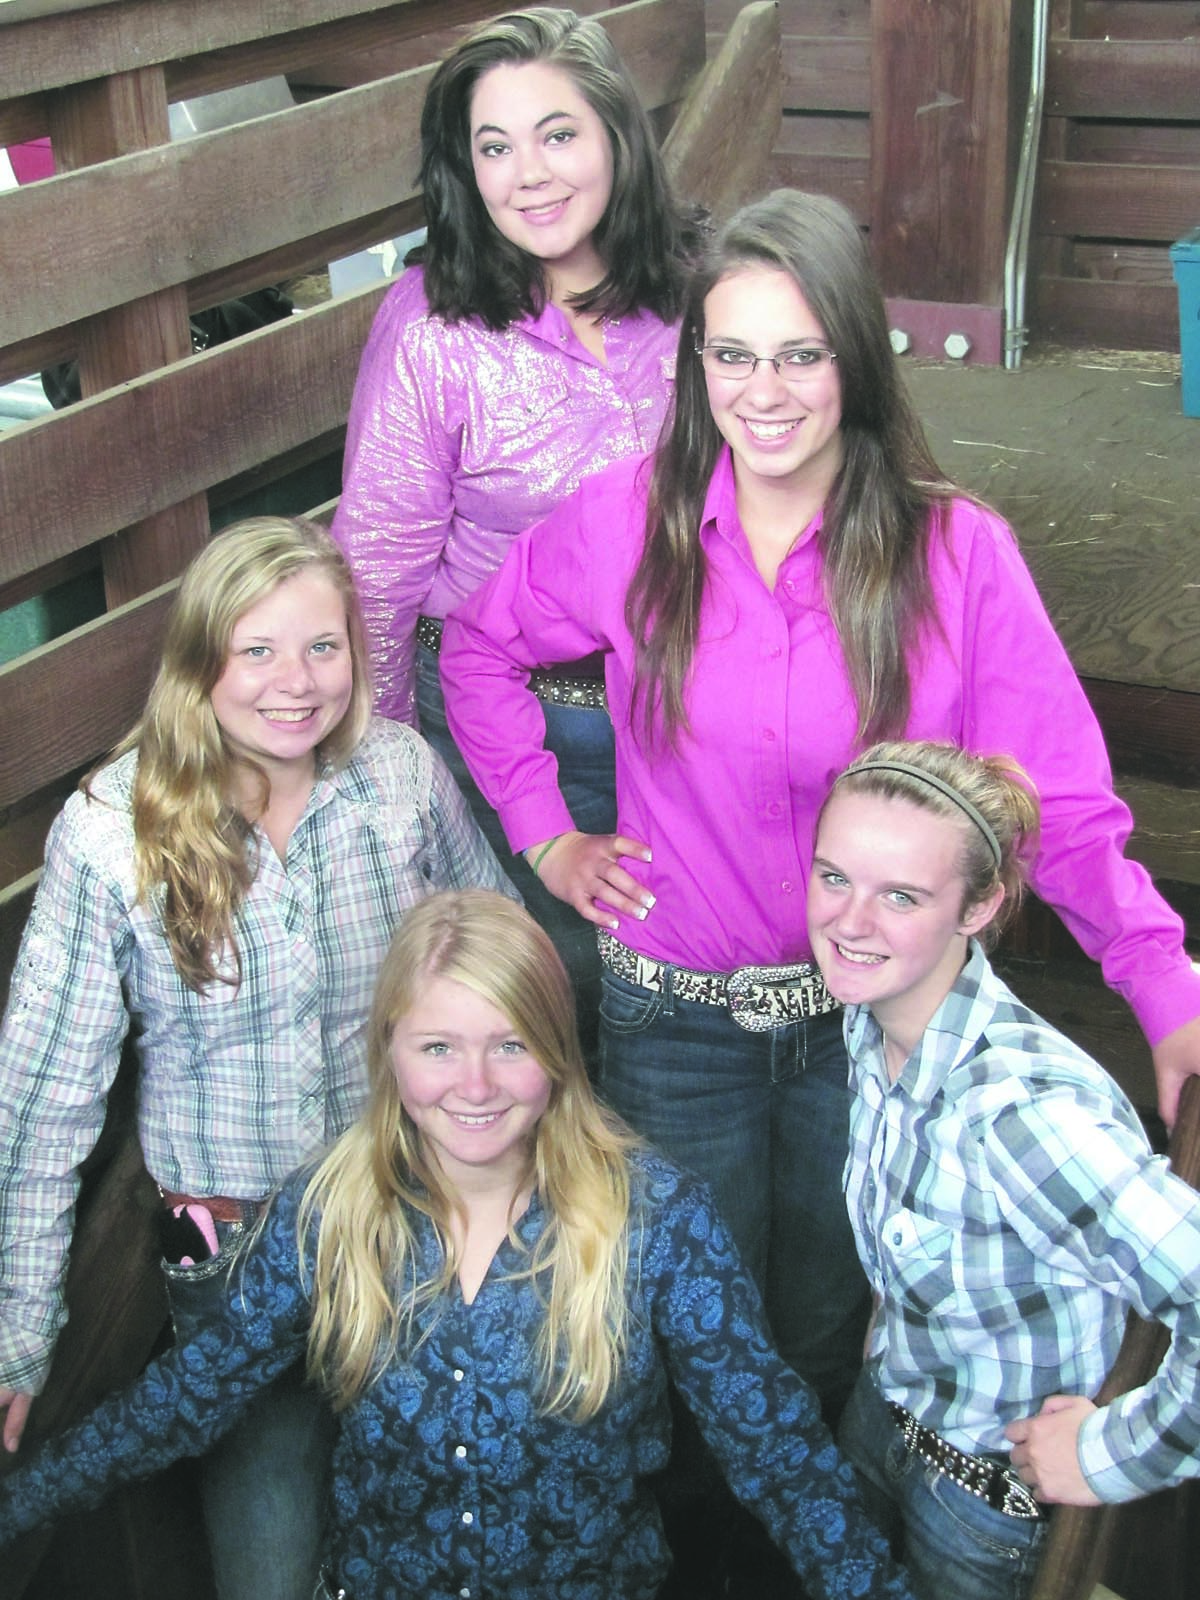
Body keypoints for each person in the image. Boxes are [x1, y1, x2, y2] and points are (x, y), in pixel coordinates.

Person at [439, 186, 1200, 1433]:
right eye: (732, 354)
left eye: (801, 353)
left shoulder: (956, 553)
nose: (766, 389)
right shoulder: (634, 518)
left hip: (883, 1027)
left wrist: (1161, 985)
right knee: (693, 1323)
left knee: (834, 1316)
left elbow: (1057, 796)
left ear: (857, 357)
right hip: (679, 1018)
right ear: (697, 365)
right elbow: (476, 649)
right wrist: (545, 832)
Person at [0, 890, 918, 1600]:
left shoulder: (657, 1217)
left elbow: (778, 1452)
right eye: (438, 1047)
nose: (474, 1086)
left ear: (558, 1052)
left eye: (510, 1044)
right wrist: (19, 1503)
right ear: (390, 1054)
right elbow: (186, 1398)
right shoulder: (329, 1211)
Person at [0, 517, 514, 1600]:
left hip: (411, 1218)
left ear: (360, 655)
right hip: (230, 1257)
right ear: (199, 664)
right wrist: (16, 1331)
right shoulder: (113, 830)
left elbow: (499, 957)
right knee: (269, 1551)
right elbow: (41, 1104)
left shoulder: (398, 779)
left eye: (323, 647)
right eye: (258, 650)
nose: (296, 683)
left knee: (443, 1532)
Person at [331, 6, 701, 1046]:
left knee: (689, 991)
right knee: (556, 1002)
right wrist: (397, 774)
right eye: (494, 146)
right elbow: (381, 571)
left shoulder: (699, 296)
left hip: (681, 707)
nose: (527, 174)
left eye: (557, 133)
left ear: (618, 138)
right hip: (505, 723)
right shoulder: (431, 327)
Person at [811, 741, 1200, 1600]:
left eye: (901, 896)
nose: (848, 921)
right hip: (885, 1413)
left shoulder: (1022, 1116)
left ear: (979, 905)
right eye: (833, 877)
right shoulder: (872, 1016)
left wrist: (1112, 1455)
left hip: (983, 1502)